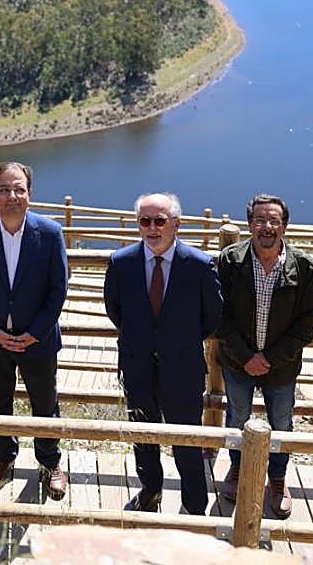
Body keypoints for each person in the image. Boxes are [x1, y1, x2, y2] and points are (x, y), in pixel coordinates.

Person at [103, 192, 222, 515]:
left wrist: (176, 342)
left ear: (176, 224)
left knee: (187, 440)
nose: (152, 228)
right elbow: (115, 311)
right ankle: (150, 490)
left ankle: (195, 504)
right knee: (143, 437)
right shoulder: (121, 263)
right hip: (137, 365)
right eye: (145, 221)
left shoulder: (198, 265)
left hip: (182, 368)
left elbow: (212, 317)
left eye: (160, 221)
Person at [0, 161, 69, 500]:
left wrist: (35, 332)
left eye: (19, 188)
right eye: (5, 189)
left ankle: (50, 463)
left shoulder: (49, 232)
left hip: (38, 339)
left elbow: (57, 289)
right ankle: (3, 456)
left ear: (30, 194)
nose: (12, 195)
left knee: (45, 402)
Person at [215, 194, 313, 518]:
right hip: (237, 362)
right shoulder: (230, 261)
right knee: (236, 418)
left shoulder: (303, 267)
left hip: (282, 366)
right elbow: (219, 314)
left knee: (282, 422)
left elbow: (307, 323)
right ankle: (237, 469)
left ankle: (277, 479)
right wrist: (246, 356)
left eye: (274, 220)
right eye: (260, 220)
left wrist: (269, 358)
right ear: (250, 224)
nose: (267, 227)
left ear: (284, 226)